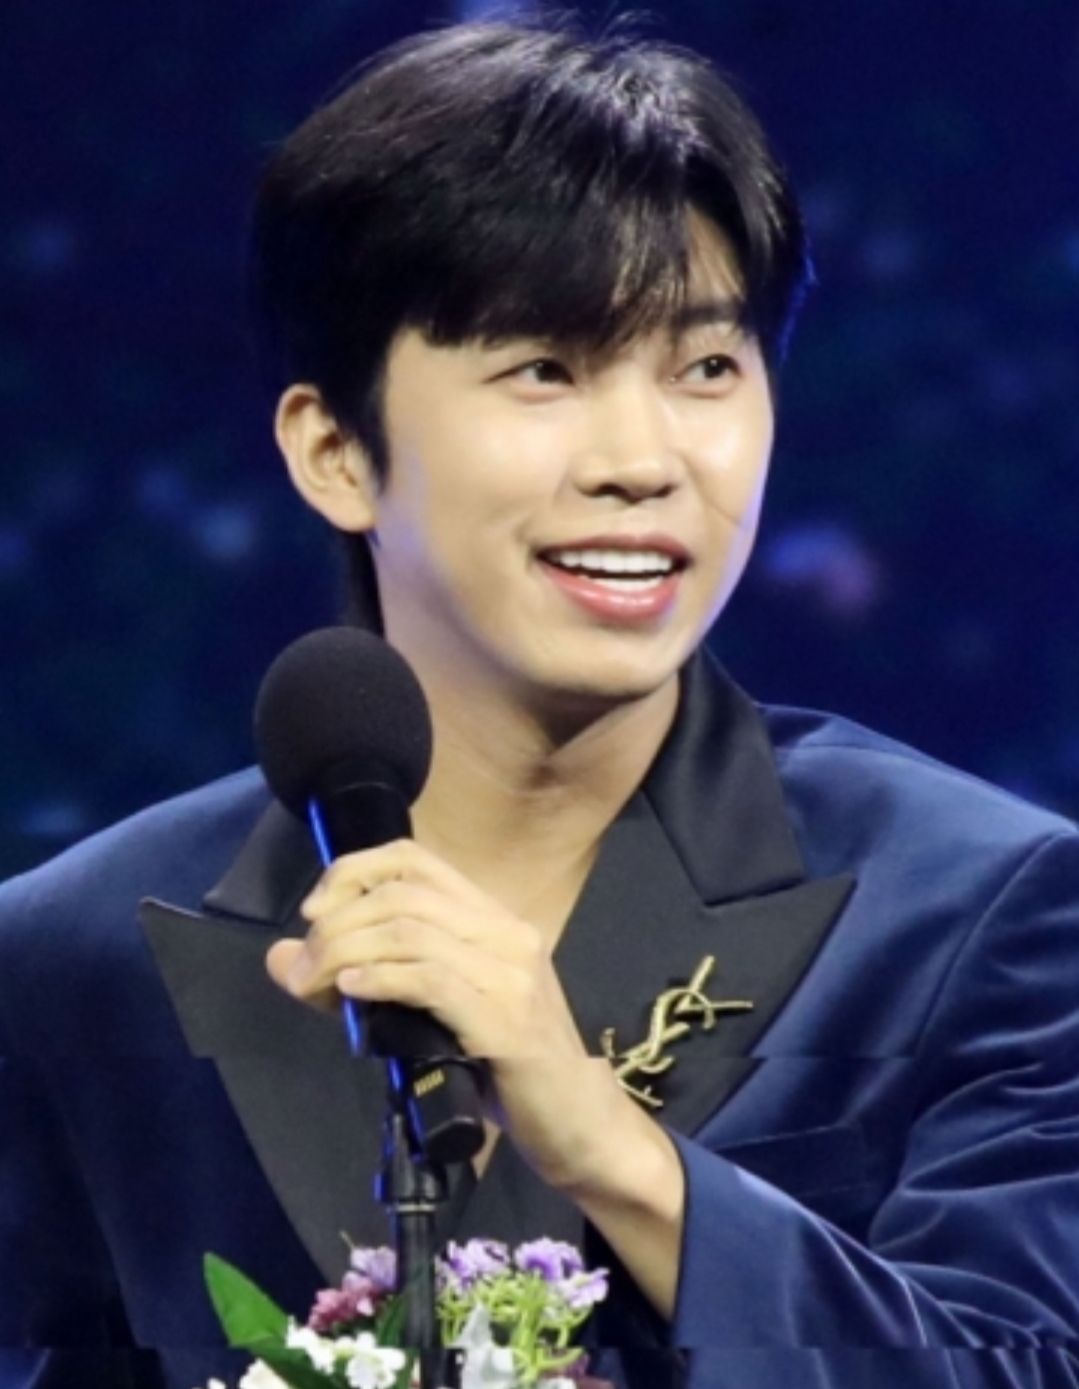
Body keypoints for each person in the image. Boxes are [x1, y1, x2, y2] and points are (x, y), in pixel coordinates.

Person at [2, 17, 1078, 1389]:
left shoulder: (983, 912)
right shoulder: (74, 960)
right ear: (335, 451)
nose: (643, 459)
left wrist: (615, 1154)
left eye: (705, 368)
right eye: (544, 371)